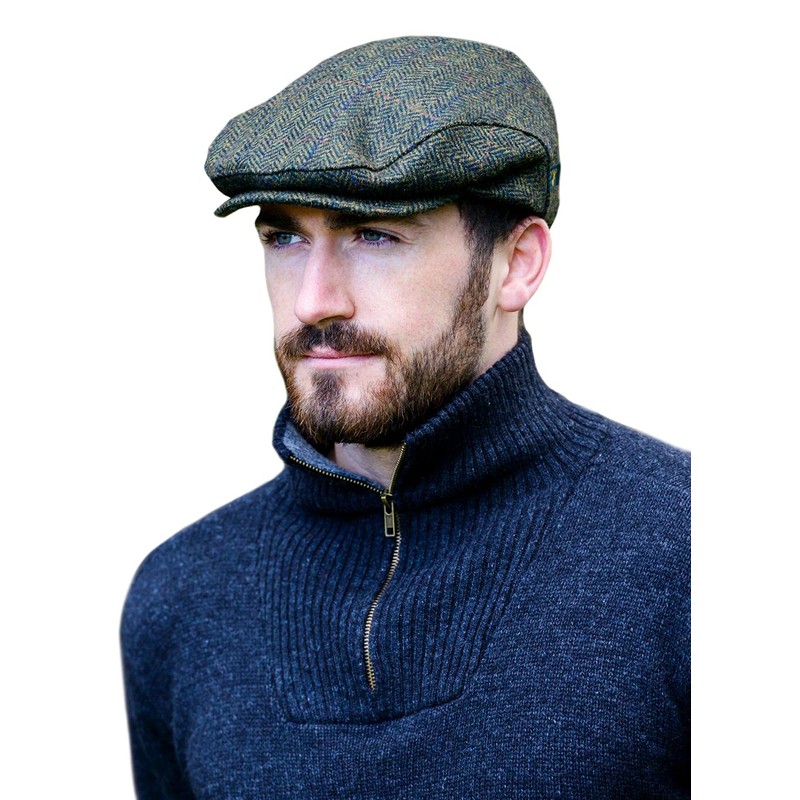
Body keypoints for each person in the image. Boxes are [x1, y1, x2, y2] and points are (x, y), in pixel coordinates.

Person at [121, 36, 690, 799]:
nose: (313, 301)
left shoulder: (692, 554)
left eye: (374, 235)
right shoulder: (182, 600)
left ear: (517, 264)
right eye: (284, 237)